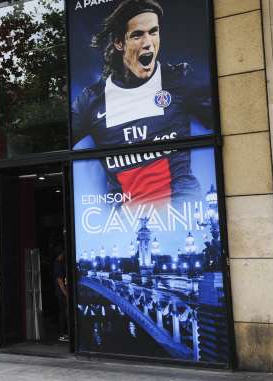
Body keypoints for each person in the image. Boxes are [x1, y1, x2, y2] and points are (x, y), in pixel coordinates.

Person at [71, 0, 212, 205]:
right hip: (124, 222)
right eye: (138, 35)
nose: (148, 42)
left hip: (183, 213)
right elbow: (54, 145)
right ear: (119, 42)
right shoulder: (91, 99)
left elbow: (227, 123)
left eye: (153, 32)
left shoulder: (178, 79)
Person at [53, 250, 68, 342]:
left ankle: (64, 333)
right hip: (62, 292)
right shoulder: (58, 264)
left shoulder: (59, 263)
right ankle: (63, 334)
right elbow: (60, 280)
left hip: (61, 292)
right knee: (63, 313)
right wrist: (66, 293)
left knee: (63, 312)